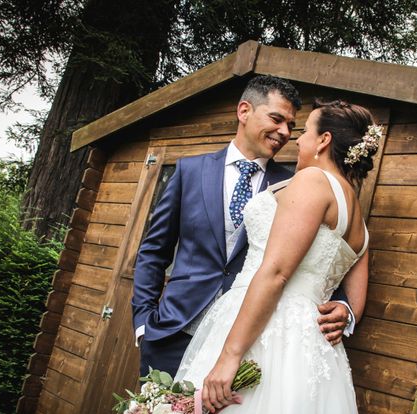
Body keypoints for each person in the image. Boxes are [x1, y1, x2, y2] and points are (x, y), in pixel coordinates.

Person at [135, 99, 376, 414]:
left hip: (261, 335)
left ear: (325, 140)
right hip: (310, 350)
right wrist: (346, 313)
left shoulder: (311, 181)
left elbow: (276, 271)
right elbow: (355, 301)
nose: (297, 140)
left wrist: (230, 356)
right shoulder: (357, 215)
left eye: (306, 131)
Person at [132, 76, 355, 379]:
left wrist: (343, 305)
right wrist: (144, 323)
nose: (285, 132)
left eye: (291, 125)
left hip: (248, 344)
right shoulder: (189, 172)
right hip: (173, 333)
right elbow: (154, 251)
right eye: (277, 119)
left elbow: (317, 254)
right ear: (244, 111)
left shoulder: (295, 185)